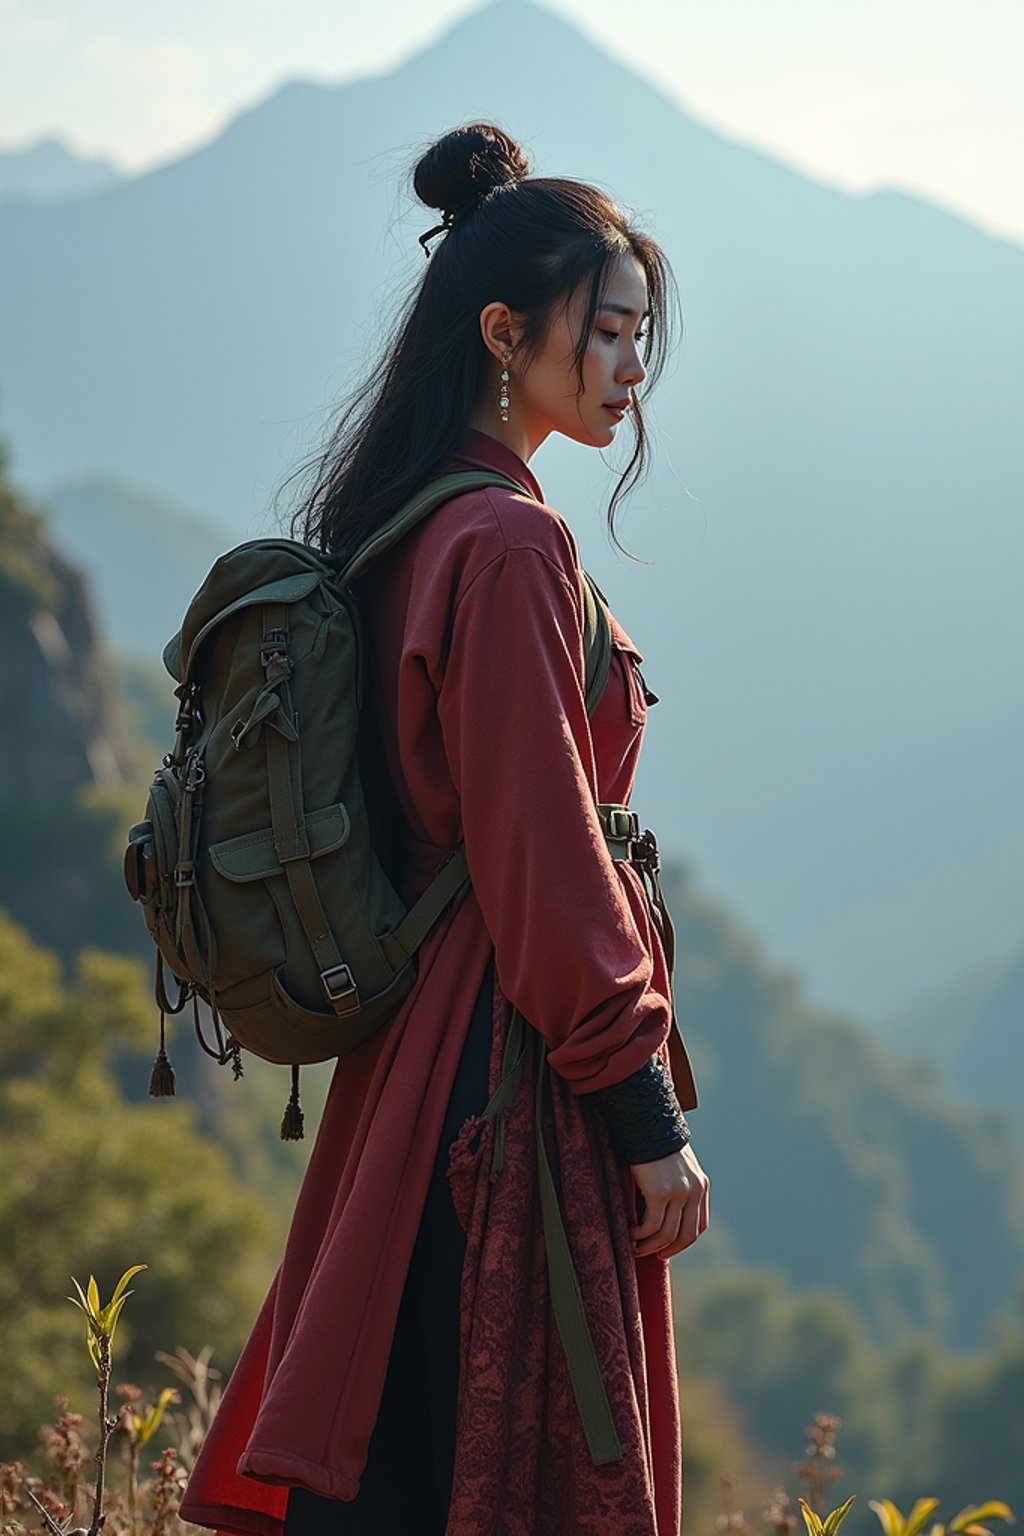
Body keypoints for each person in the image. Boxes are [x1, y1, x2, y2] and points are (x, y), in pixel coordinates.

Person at [179, 121, 710, 1536]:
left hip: (415, 1069)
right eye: (605, 334)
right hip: (509, 1069)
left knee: (405, 1442)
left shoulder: (405, 516)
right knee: (507, 1461)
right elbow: (544, 853)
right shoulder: (511, 545)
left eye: (638, 336)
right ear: (502, 332)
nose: (630, 369)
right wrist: (643, 1111)